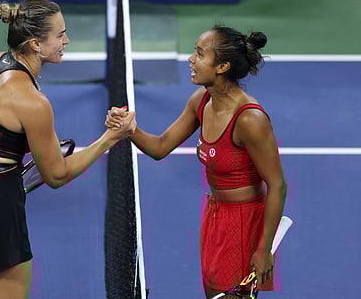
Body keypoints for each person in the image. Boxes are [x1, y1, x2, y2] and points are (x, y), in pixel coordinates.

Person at [0, 0, 136, 299]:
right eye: (60, 35)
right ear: (36, 44)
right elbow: (56, 175)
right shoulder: (33, 102)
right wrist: (110, 138)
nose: (66, 40)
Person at [105, 24, 287, 298]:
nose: (191, 59)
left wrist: (263, 248)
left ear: (222, 66)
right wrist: (129, 129)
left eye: (200, 54)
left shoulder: (250, 119)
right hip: (215, 216)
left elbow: (277, 185)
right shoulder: (201, 101)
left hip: (243, 223)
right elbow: (160, 147)